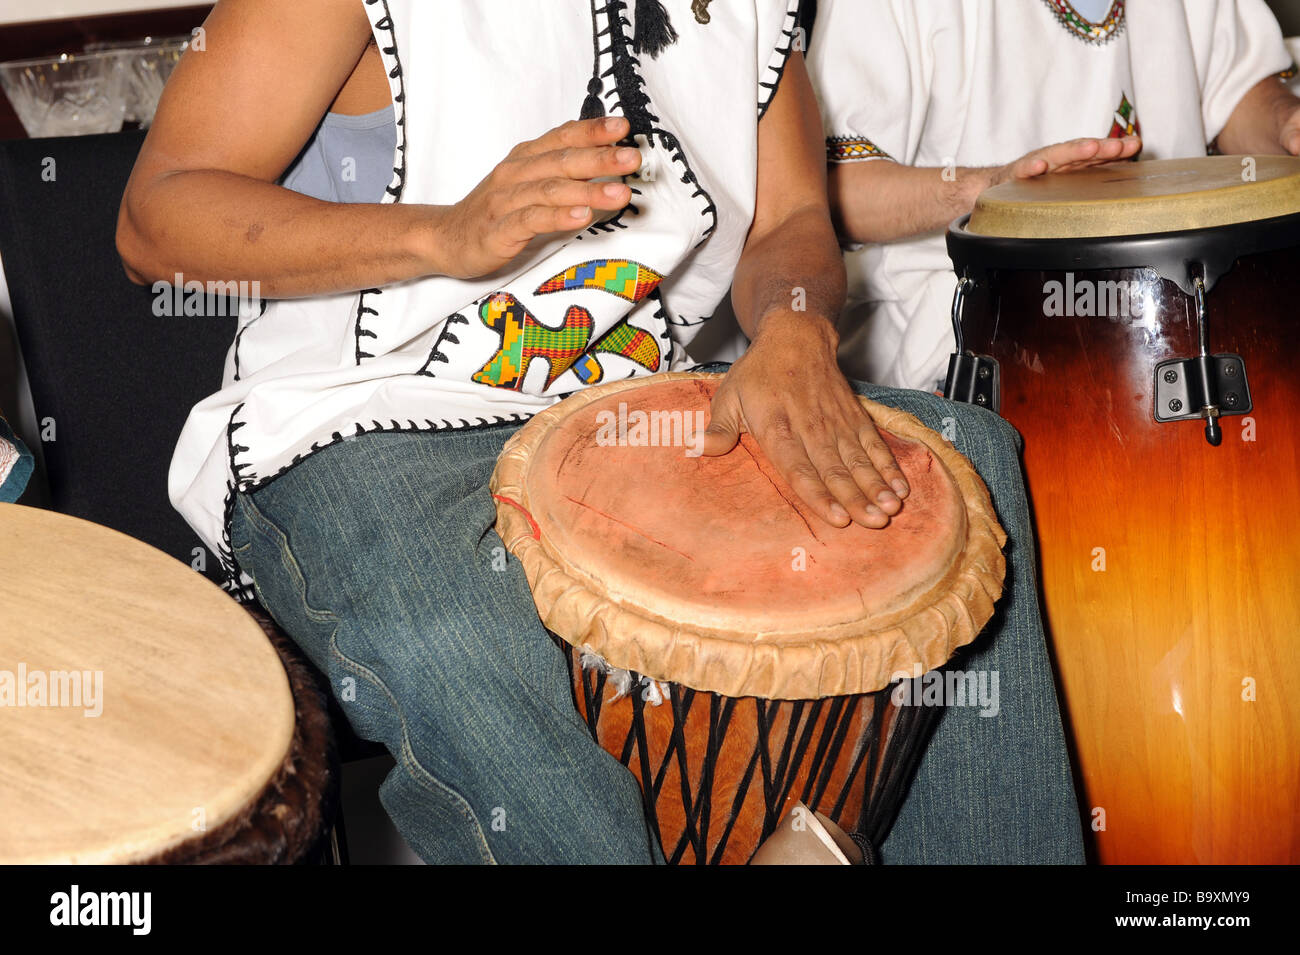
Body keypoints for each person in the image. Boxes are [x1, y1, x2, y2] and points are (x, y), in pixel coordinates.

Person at [118, 0, 1081, 864]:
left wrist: (793, 322)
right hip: (356, 418)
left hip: (632, 410)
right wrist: (441, 234)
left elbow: (791, 218)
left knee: (956, 482)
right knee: (454, 620)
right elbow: (155, 219)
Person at [808, 0, 1300, 391]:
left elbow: (1234, 90)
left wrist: (1285, 124)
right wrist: (994, 186)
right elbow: (834, 192)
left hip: (1185, 308)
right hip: (966, 336)